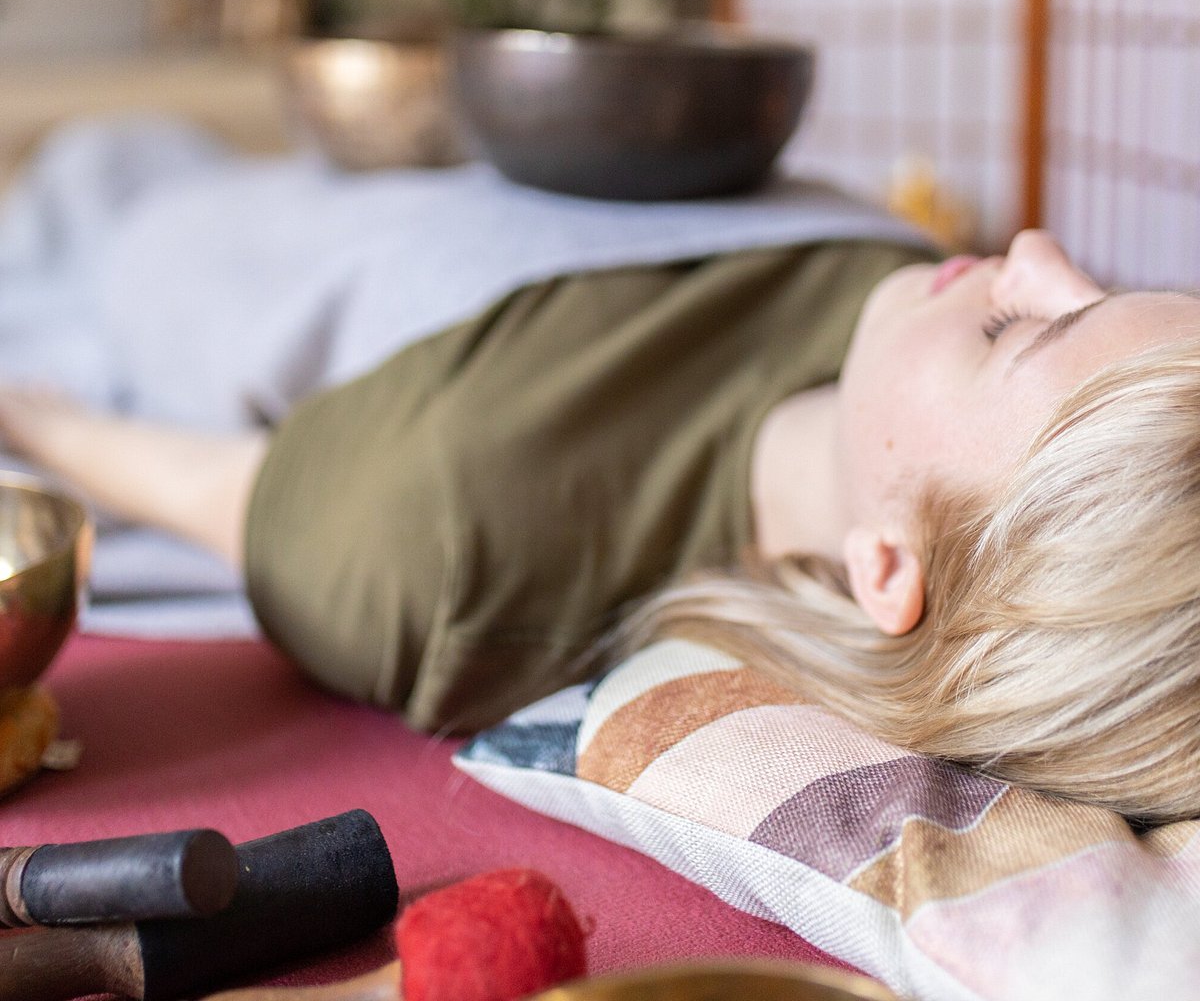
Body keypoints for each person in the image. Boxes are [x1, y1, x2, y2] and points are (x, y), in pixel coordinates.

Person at [3, 207, 1199, 822]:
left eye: (1023, 330)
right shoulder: (901, 306)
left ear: (888, 568)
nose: (1033, 247)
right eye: (1105, 284)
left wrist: (34, 418)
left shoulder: (439, 537)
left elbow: (90, 436)